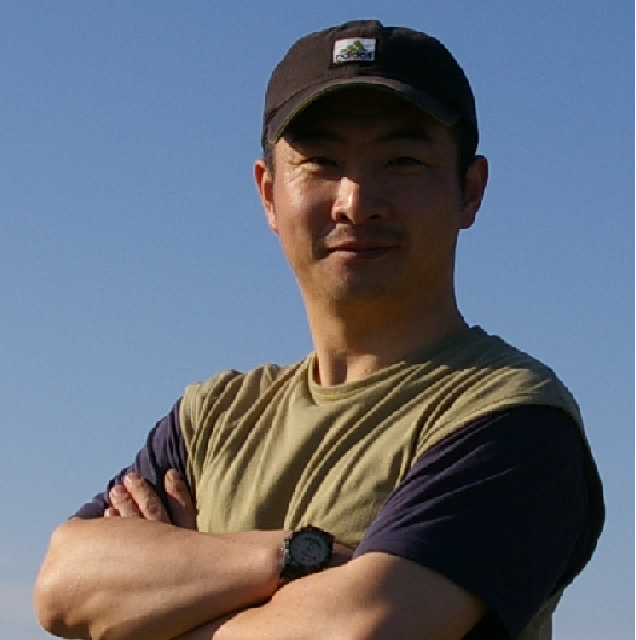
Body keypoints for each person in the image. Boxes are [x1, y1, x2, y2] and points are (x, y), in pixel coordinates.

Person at [33, 19, 605, 640]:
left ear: (470, 191)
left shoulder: (513, 420)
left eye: (403, 161)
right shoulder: (212, 419)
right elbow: (63, 582)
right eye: (321, 163)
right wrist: (291, 556)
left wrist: (163, 610)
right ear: (268, 194)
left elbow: (359, 629)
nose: (356, 201)